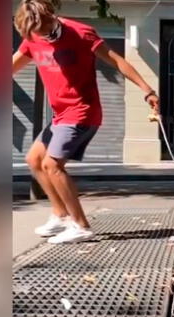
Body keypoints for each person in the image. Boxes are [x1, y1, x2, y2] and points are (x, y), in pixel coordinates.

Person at [12, 0, 159, 243]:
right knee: (34, 159)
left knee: (52, 164)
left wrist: (148, 91)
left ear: (51, 16)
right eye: (37, 35)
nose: (44, 38)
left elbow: (117, 61)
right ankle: (60, 215)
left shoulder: (80, 33)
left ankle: (80, 225)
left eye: (45, 31)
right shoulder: (33, 37)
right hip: (60, 115)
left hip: (82, 111)